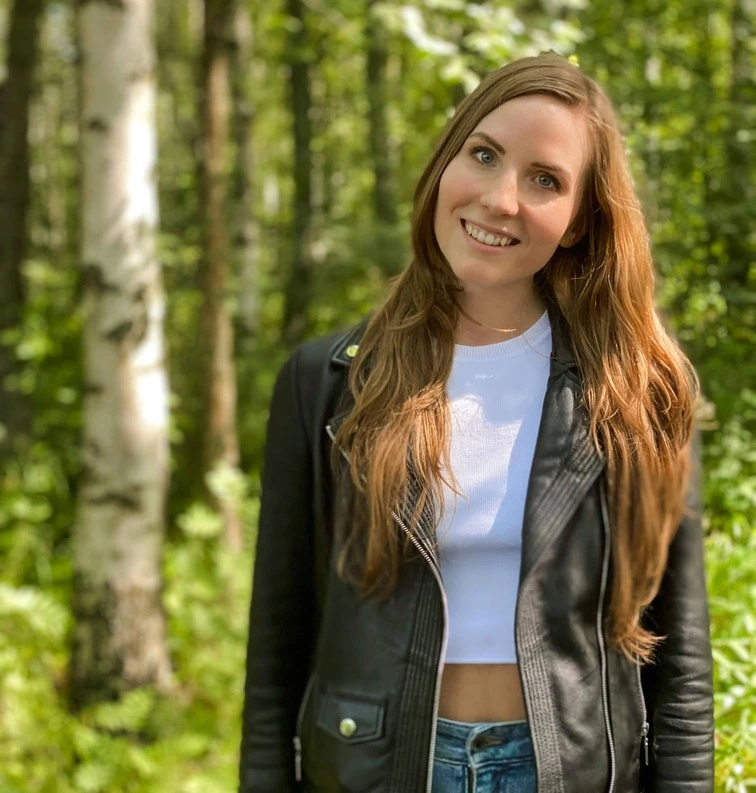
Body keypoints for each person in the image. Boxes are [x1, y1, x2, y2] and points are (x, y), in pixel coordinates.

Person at [238, 52, 714, 793]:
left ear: (581, 219)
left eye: (545, 180)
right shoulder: (328, 381)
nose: (500, 198)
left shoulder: (638, 391)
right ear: (445, 160)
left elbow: (680, 659)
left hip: (565, 771)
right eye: (484, 154)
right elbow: (277, 648)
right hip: (376, 768)